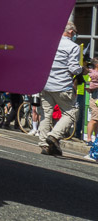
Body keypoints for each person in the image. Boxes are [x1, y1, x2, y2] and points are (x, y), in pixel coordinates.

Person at [38, 22, 89, 156]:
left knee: (45, 114)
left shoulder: (51, 43)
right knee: (72, 112)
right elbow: (73, 68)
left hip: (45, 84)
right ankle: (54, 135)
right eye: (75, 33)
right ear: (71, 32)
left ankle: (44, 144)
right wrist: (83, 70)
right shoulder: (73, 46)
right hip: (62, 85)